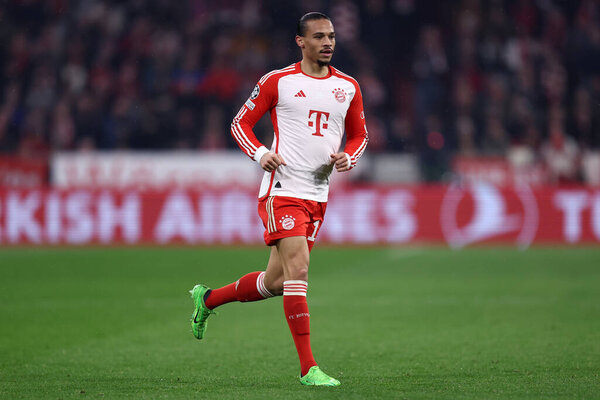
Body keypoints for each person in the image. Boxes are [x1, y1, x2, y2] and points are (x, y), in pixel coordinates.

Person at [189, 12, 368, 387]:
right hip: (282, 190)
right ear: (300, 42)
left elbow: (359, 135)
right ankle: (308, 369)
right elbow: (240, 123)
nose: (328, 42)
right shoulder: (278, 81)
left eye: (331, 36)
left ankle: (207, 300)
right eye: (319, 36)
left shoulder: (348, 87)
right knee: (299, 272)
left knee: (274, 282)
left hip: (318, 194)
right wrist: (259, 154)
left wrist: (349, 156)